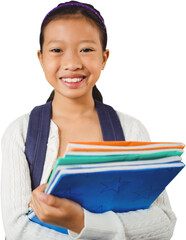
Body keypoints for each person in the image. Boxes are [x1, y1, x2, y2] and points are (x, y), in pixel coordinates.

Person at [1, 1, 177, 239]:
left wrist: (79, 220)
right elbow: (17, 229)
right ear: (41, 58)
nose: (72, 63)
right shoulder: (20, 133)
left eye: (86, 49)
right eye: (56, 50)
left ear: (104, 58)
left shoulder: (130, 129)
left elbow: (163, 222)